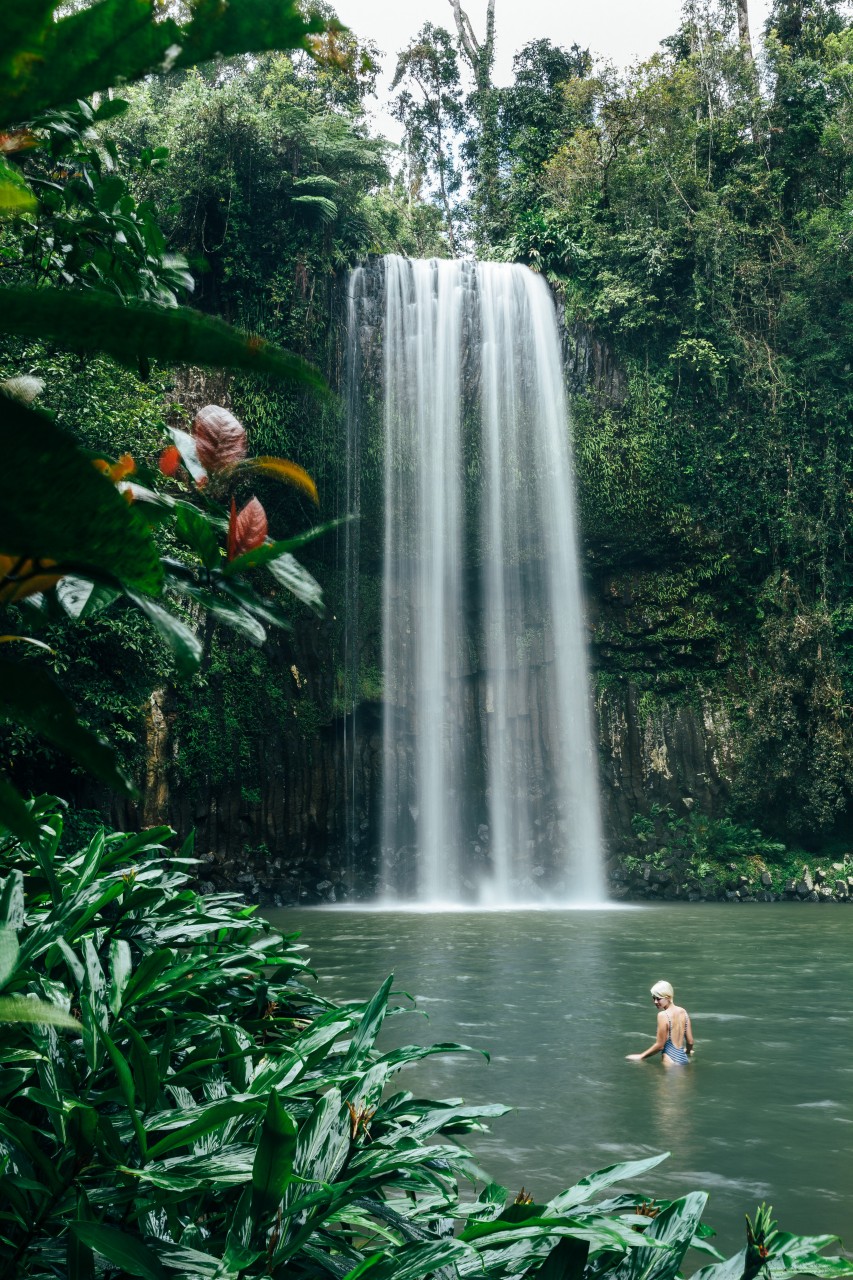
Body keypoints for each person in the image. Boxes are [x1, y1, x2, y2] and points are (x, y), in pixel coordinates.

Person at [626, 980, 694, 1065]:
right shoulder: (683, 1012)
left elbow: (660, 1045)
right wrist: (687, 1052)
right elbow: (690, 1041)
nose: (655, 1002)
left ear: (668, 997)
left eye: (658, 998)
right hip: (683, 1059)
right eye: (653, 998)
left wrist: (641, 1056)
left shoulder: (663, 1015)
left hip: (670, 1060)